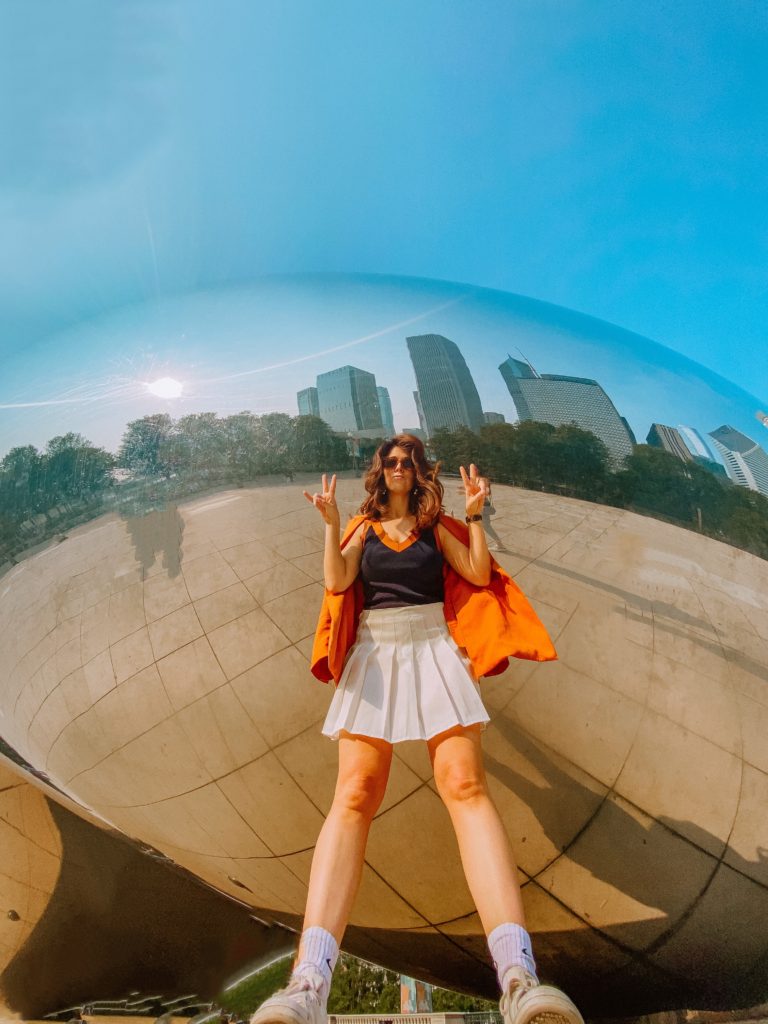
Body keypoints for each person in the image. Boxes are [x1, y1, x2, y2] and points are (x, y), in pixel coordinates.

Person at [250, 434, 583, 1024]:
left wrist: (475, 514)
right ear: (380, 473)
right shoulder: (361, 528)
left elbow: (477, 571)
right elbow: (336, 582)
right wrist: (330, 523)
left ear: (420, 471)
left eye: (409, 462)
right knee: (354, 795)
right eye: (391, 462)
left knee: (465, 786)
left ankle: (518, 976)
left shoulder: (437, 527)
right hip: (376, 651)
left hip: (434, 647)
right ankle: (308, 985)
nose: (400, 469)